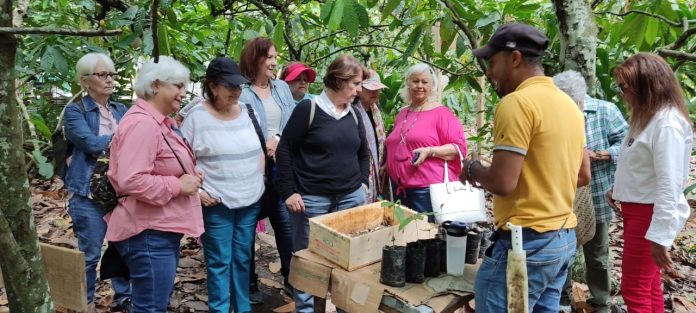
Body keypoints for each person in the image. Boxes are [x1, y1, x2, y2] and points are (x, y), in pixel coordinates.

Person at [459, 23, 590, 312]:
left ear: (515, 58)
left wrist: (473, 169)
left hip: (527, 245)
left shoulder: (517, 103)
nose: (490, 72)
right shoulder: (569, 105)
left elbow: (504, 182)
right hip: (561, 239)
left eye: (493, 63)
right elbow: (582, 175)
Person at [106, 56, 204, 312]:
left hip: (157, 230)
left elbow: (159, 165)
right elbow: (131, 179)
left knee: (153, 304)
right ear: (157, 84)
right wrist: (177, 186)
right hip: (147, 233)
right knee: (150, 307)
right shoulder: (142, 124)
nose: (184, 93)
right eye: (179, 86)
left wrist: (190, 178)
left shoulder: (159, 122)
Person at [275, 55, 370, 313]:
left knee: (346, 260)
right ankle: (306, 310)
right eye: (356, 83)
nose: (359, 89)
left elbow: (363, 152)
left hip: (350, 198)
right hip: (313, 199)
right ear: (339, 81)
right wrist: (289, 191)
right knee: (309, 261)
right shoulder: (310, 109)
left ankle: (343, 307)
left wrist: (362, 184)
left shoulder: (353, 113)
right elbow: (284, 150)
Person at [607, 53, 693, 313]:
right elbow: (643, 168)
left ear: (647, 86)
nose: (622, 94)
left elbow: (670, 183)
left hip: (650, 214)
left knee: (634, 287)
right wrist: (619, 190)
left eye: (625, 87)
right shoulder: (649, 118)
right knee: (649, 284)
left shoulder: (666, 124)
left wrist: (660, 235)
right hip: (639, 210)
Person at [181, 57, 262, 313]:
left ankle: (242, 308)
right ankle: (220, 309)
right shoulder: (195, 117)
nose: (236, 91)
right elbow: (182, 161)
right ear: (213, 87)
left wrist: (259, 178)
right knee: (219, 262)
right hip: (217, 203)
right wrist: (201, 192)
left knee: (243, 259)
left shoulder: (249, 109)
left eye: (239, 86)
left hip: (250, 200)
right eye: (230, 87)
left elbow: (260, 146)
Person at [554, 70, 628, 313]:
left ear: (580, 97)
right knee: (562, 251)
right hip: (561, 196)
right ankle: (563, 299)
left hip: (596, 194)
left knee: (597, 255)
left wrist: (603, 154)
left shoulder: (605, 111)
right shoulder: (554, 113)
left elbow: (630, 143)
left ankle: (600, 301)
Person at [63, 52, 131, 312]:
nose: (110, 79)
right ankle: (86, 302)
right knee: (90, 255)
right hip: (87, 193)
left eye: (111, 74)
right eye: (102, 75)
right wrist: (124, 140)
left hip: (119, 191)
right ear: (85, 80)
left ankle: (124, 298)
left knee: (123, 247)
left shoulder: (119, 109)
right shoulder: (75, 110)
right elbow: (91, 145)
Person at [238, 37, 296, 302]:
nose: (275, 62)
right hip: (252, 171)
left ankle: (291, 279)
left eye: (276, 57)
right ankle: (249, 285)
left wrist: (279, 140)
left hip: (279, 169)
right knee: (247, 227)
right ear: (256, 59)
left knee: (284, 224)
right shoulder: (241, 91)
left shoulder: (283, 88)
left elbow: (293, 121)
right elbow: (236, 127)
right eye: (270, 57)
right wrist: (264, 144)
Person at [385, 63, 467, 222]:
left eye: (424, 82)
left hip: (427, 191)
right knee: (407, 239)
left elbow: (459, 149)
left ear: (432, 86)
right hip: (400, 188)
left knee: (427, 237)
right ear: (408, 83)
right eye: (415, 81)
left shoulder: (442, 113)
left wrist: (429, 151)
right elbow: (397, 143)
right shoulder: (402, 113)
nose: (419, 86)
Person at [353, 69, 389, 202]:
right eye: (370, 89)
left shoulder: (375, 111)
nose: (375, 92)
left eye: (377, 89)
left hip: (377, 171)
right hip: (359, 174)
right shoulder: (352, 111)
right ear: (359, 89)